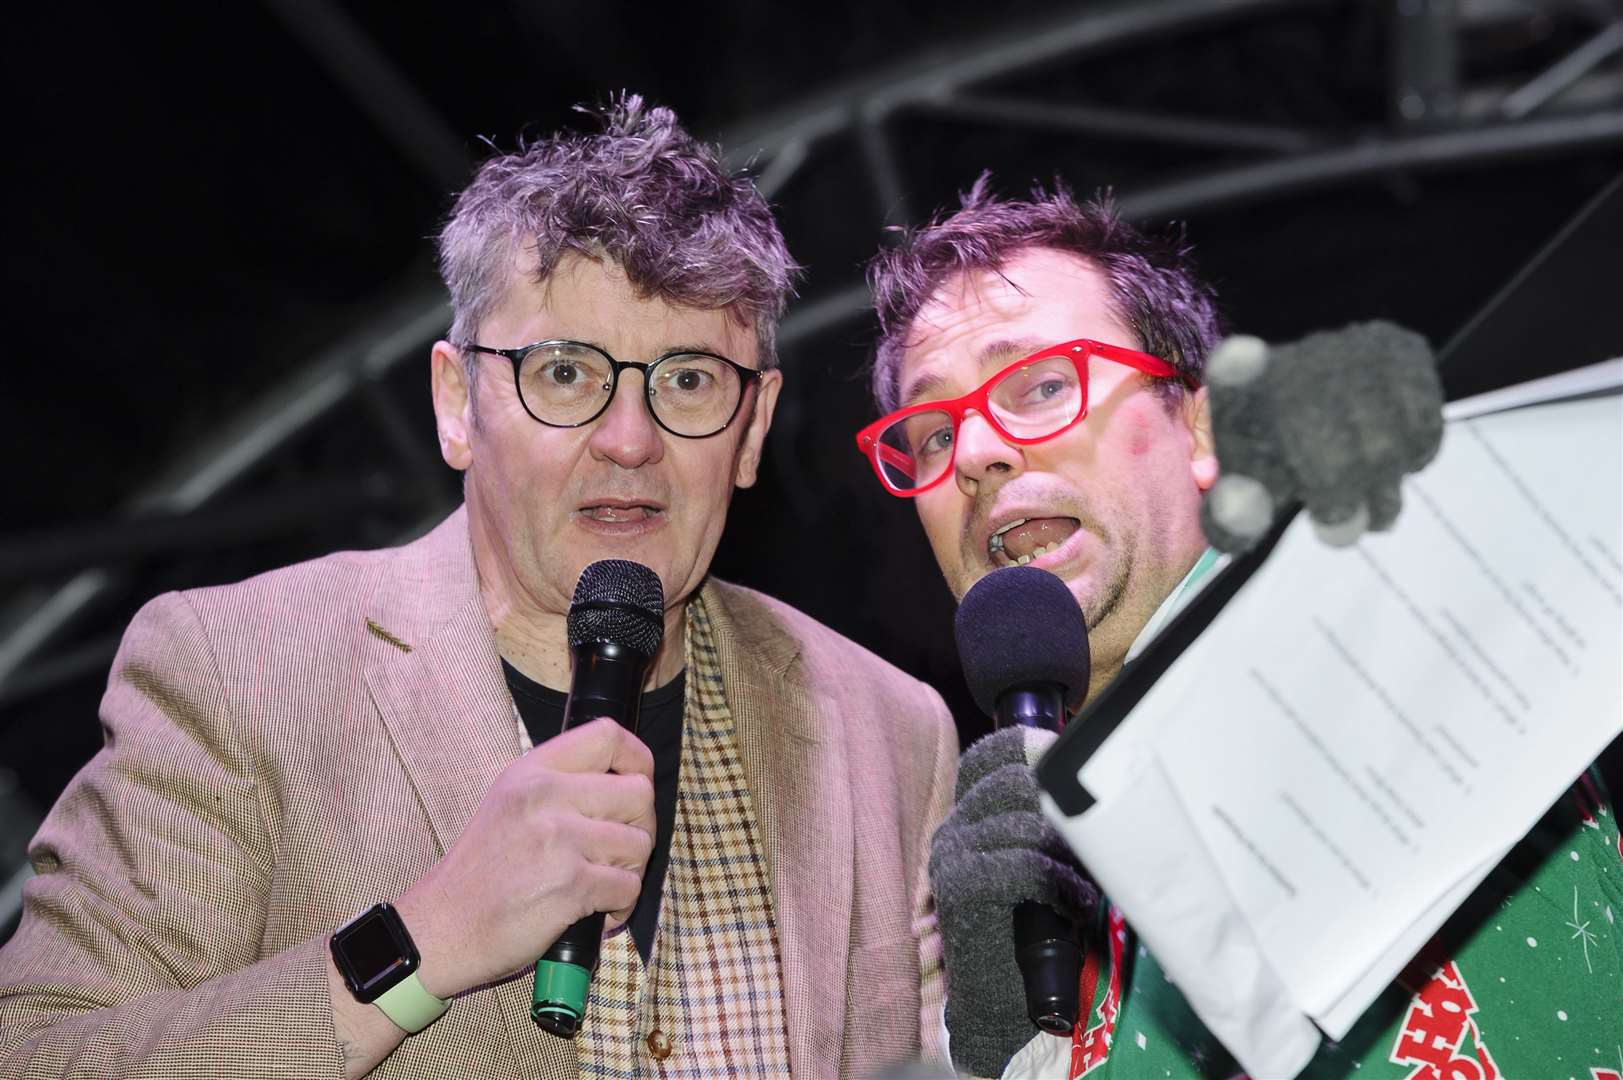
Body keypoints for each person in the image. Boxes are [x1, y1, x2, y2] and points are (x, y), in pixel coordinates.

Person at [0, 97, 957, 1079]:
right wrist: (426, 939)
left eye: (688, 381)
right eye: (566, 373)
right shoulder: (234, 668)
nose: (630, 439)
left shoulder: (888, 730)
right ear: (458, 405)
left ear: (753, 428)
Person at [858, 177, 1621, 1078]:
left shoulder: (1381, 640)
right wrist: (994, 1045)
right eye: (933, 434)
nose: (976, 454)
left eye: (1039, 385)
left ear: (1200, 422)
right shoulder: (1002, 854)